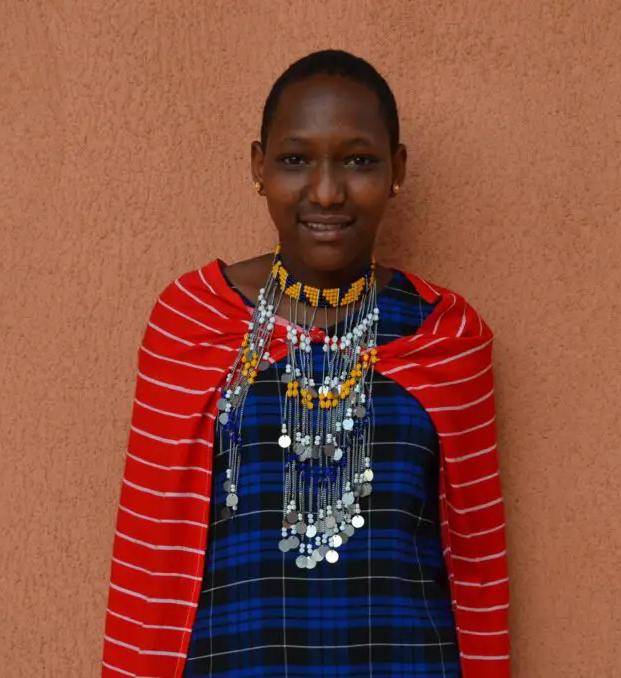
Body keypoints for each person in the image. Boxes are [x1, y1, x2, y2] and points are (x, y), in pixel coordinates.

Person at [101, 49, 510, 678]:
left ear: (397, 170)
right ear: (259, 167)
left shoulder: (445, 337)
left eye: (359, 160)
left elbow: (477, 572)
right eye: (296, 160)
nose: (326, 190)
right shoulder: (193, 321)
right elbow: (147, 558)